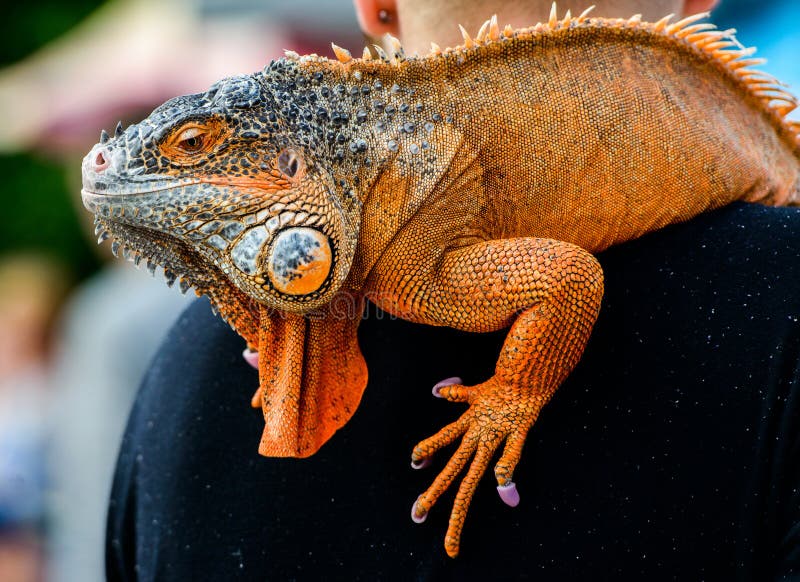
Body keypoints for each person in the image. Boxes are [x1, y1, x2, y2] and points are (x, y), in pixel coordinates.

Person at [105, 0, 800, 579]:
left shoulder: (174, 380)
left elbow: (566, 279)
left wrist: (512, 396)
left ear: (374, 6)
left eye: (195, 147)